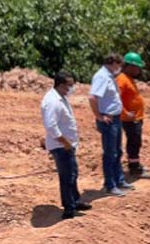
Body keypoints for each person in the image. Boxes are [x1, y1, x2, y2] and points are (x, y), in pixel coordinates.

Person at [41, 72, 91, 219]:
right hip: (61, 146)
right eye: (70, 85)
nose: (72, 88)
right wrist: (65, 142)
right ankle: (69, 209)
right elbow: (51, 126)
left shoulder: (60, 97)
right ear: (61, 85)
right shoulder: (53, 101)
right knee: (67, 177)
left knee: (73, 174)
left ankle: (75, 201)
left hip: (66, 145)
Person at [89, 53, 133, 196]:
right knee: (110, 153)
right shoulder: (101, 76)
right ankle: (110, 185)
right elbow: (92, 97)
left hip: (115, 118)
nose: (119, 68)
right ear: (113, 63)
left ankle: (119, 180)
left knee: (117, 151)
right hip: (108, 120)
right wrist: (99, 116)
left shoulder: (108, 76)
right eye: (119, 65)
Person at [116, 51, 150, 179]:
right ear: (130, 67)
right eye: (137, 67)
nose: (139, 70)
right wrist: (125, 113)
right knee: (134, 142)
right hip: (129, 119)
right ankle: (134, 169)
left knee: (135, 142)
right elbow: (116, 98)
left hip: (135, 118)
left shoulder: (128, 79)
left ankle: (135, 165)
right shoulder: (122, 79)